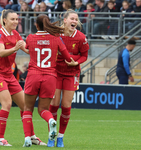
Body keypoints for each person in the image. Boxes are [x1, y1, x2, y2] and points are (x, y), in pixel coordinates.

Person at [0, 9, 46, 146]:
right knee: (7, 104)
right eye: (12, 19)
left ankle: (31, 136)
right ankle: (0, 139)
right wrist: (15, 48)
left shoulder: (16, 34)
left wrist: (41, 51)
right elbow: (1, 53)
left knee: (26, 106)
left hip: (9, 75)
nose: (15, 21)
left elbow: (27, 49)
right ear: (4, 20)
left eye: (17, 19)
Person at [21, 14, 77, 147]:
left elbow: (28, 50)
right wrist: (73, 62)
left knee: (27, 109)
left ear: (36, 25)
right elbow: (67, 57)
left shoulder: (30, 38)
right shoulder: (56, 39)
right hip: (50, 77)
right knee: (43, 109)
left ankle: (28, 139)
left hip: (33, 75)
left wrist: (20, 45)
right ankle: (51, 120)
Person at [49, 9, 89, 147]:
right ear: (64, 20)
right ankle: (51, 135)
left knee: (66, 106)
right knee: (54, 104)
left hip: (72, 74)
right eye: (72, 18)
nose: (74, 21)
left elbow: (84, 55)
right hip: (56, 72)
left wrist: (75, 62)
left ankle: (60, 136)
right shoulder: (55, 34)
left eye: (76, 19)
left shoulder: (81, 38)